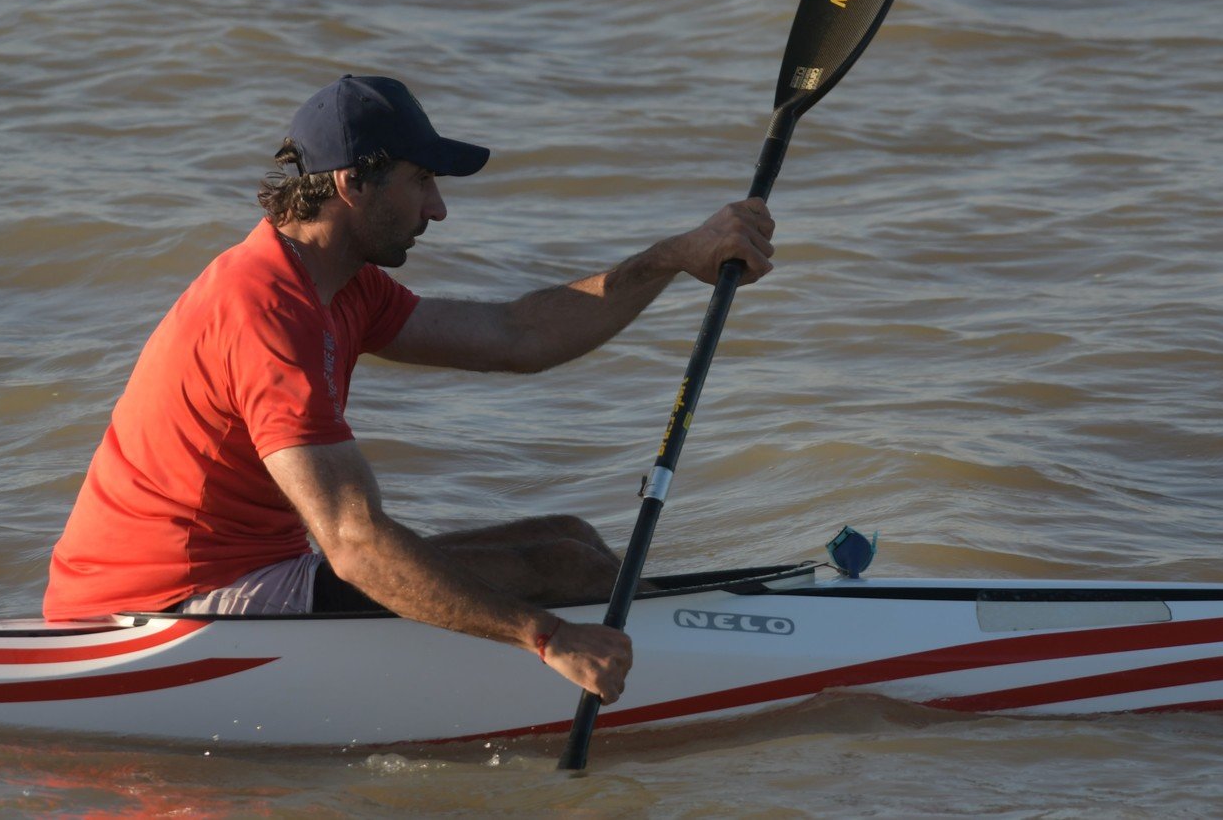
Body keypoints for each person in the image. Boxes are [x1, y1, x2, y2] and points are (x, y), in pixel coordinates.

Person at [44, 74, 777, 705]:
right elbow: (355, 544)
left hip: (255, 571)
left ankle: (681, 641)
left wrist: (674, 256)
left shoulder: (342, 287)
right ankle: (715, 659)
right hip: (165, 610)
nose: (438, 208)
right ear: (351, 182)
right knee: (565, 569)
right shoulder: (264, 310)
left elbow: (519, 335)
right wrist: (543, 636)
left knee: (571, 538)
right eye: (421, 180)